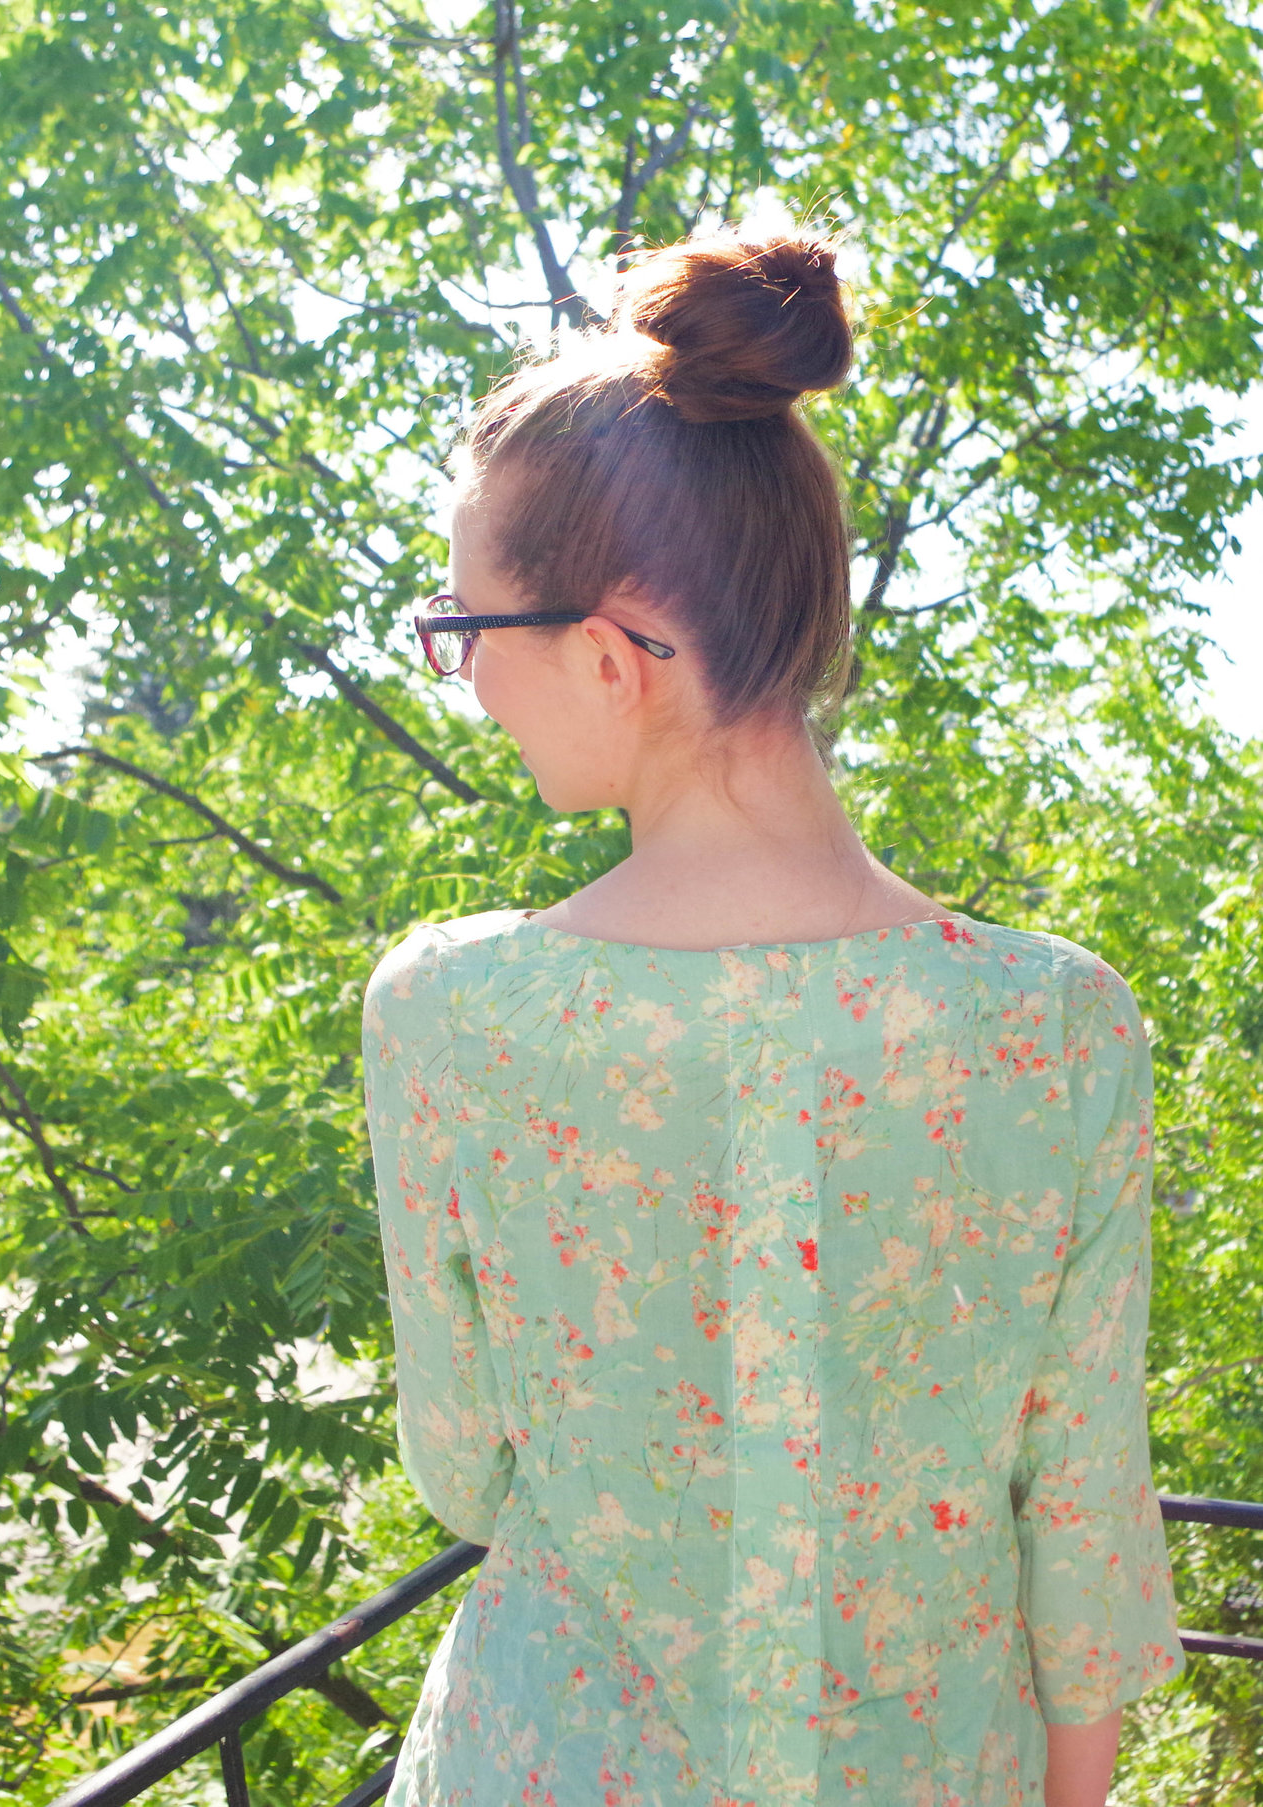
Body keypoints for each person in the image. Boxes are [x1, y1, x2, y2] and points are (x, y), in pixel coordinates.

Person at [361, 227, 1185, 1807]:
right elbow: (1082, 1526)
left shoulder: (455, 1013)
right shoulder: (1061, 1026)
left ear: (608, 654)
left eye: (465, 629)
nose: (462, 676)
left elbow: (464, 1473)